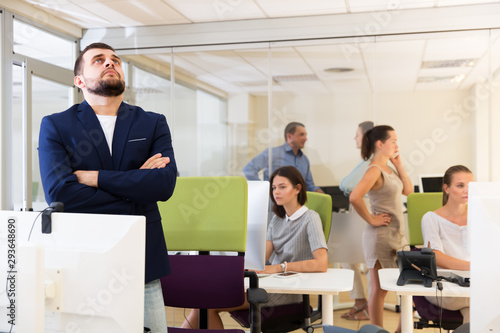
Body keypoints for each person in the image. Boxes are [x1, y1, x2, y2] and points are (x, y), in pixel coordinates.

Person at [38, 42, 177, 332]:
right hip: (82, 262)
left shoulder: (151, 123)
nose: (109, 63)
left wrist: (94, 177)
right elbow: (61, 195)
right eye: (98, 60)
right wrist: (137, 190)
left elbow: (163, 185)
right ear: (79, 80)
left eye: (115, 60)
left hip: (142, 266)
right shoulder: (56, 125)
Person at [182, 165, 328, 329]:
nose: (276, 192)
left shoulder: (310, 219)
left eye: (282, 187)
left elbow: (321, 264)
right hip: (269, 283)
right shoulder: (277, 220)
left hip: (287, 291)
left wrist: (279, 268)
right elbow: (261, 258)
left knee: (208, 306)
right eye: (273, 188)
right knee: (200, 304)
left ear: (297, 189)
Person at [349, 125, 413, 330]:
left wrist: (399, 164)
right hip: (380, 237)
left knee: (406, 285)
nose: (396, 144)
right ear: (380, 144)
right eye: (393, 140)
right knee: (379, 289)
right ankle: (377, 330)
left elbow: (409, 191)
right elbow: (355, 197)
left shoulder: (388, 168)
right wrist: (371, 219)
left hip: (397, 235)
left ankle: (401, 330)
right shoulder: (374, 170)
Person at [421, 165, 472, 323]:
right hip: (446, 286)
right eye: (460, 185)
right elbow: (436, 257)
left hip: (474, 285)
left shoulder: (480, 215)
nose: (467, 190)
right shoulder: (431, 218)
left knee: (476, 314)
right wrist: (473, 266)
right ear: (446, 188)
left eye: (470, 186)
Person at [339, 121, 374, 321]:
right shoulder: (366, 161)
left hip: (365, 210)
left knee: (367, 260)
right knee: (347, 257)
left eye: (357, 134)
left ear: (366, 137)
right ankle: (360, 301)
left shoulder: (371, 162)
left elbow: (347, 184)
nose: (355, 138)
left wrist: (349, 187)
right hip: (359, 210)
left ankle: (366, 305)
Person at [243, 122, 324, 192]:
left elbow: (309, 184)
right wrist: (264, 189)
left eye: (306, 135)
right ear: (289, 136)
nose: (305, 138)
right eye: (301, 135)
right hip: (275, 207)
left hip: (297, 207)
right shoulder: (273, 153)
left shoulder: (304, 159)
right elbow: (249, 169)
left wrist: (317, 190)